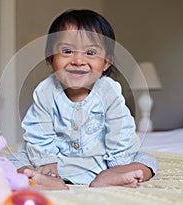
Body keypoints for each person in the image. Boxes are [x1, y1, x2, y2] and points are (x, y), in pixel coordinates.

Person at [9, 9, 157, 190]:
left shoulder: (108, 91)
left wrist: (118, 165)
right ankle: (50, 181)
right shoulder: (46, 91)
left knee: (146, 161)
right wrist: (47, 163)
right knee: (14, 160)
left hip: (101, 160)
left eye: (91, 52)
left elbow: (120, 131)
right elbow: (38, 132)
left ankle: (109, 177)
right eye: (67, 51)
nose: (78, 60)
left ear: (106, 63)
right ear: (51, 58)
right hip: (56, 161)